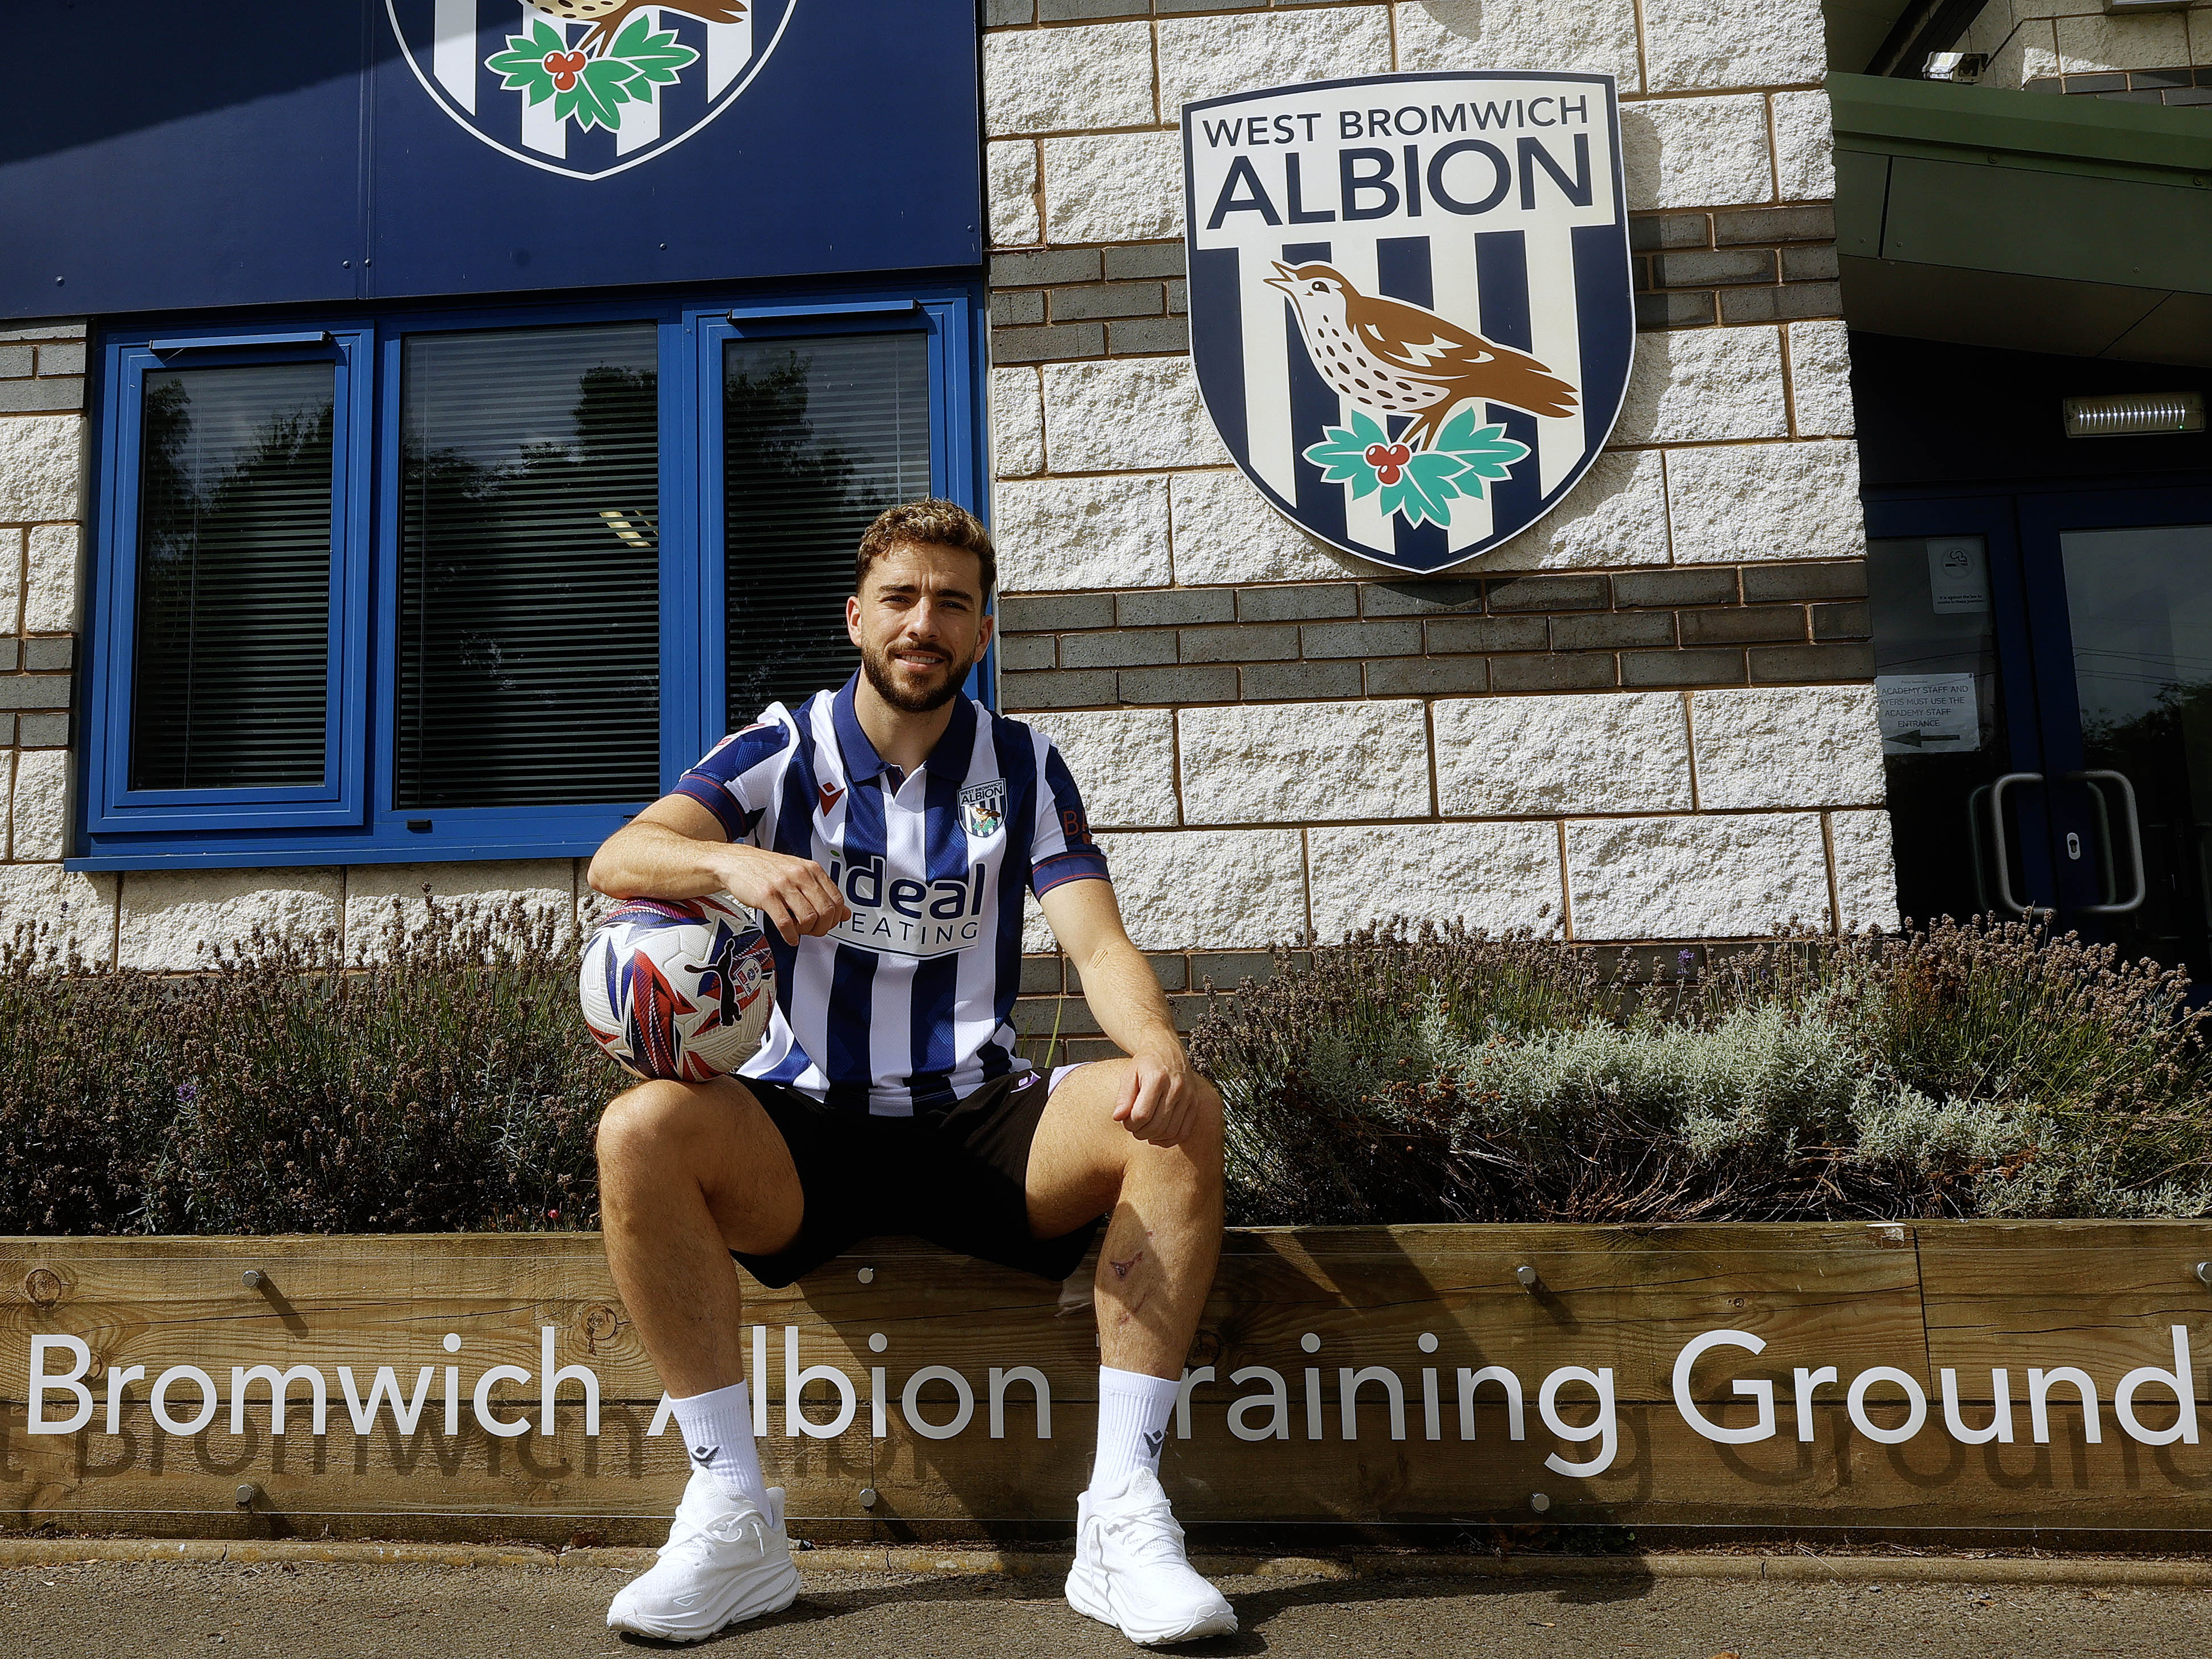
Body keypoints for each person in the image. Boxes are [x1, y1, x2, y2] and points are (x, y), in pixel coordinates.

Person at [584, 498, 1237, 1647]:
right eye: (900, 598)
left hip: (977, 1119)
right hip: (802, 1125)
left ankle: (1123, 1517)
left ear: (982, 633)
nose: (921, 622)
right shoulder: (780, 749)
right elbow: (619, 859)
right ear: (856, 617)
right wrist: (729, 860)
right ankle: (733, 1518)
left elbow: (1095, 939)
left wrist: (1159, 1050)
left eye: (951, 603)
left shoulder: (1022, 767)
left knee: (1171, 1118)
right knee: (639, 1130)